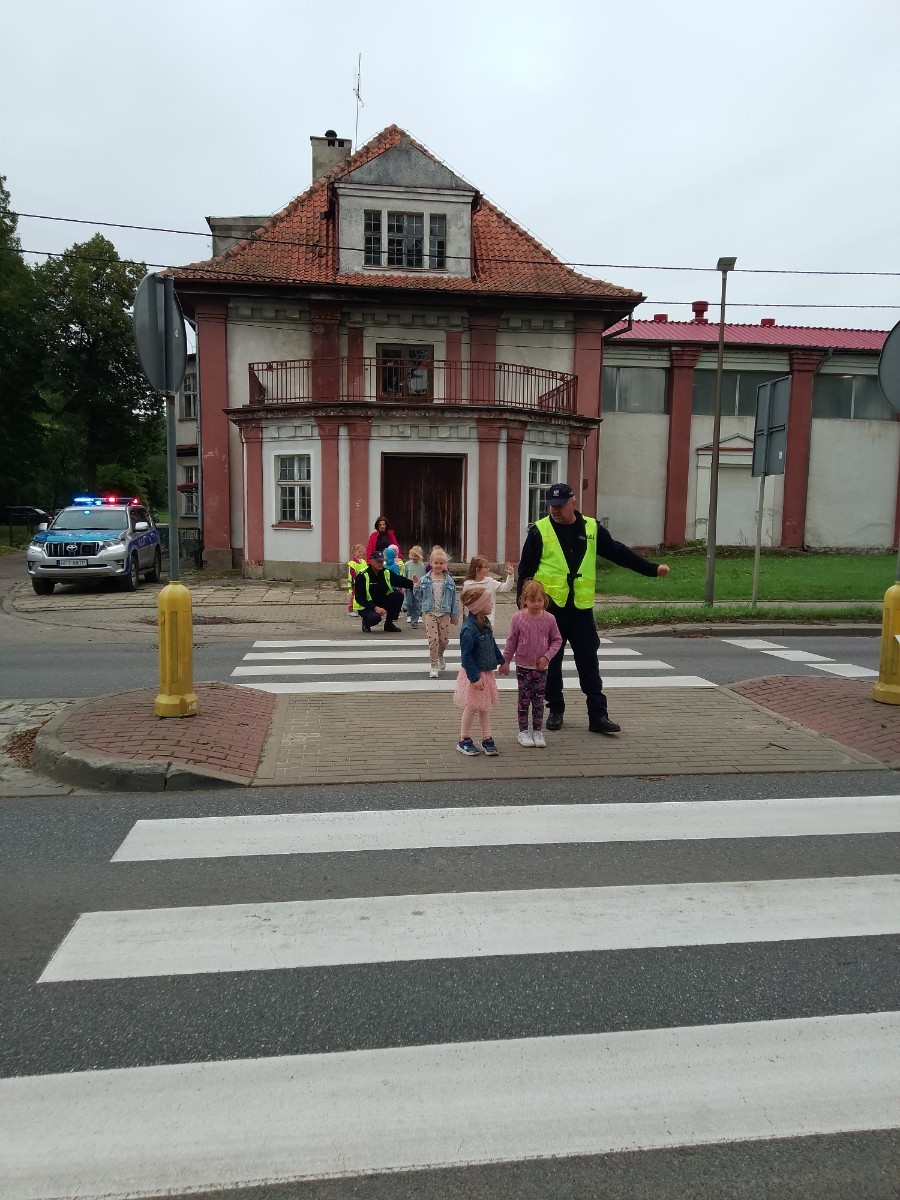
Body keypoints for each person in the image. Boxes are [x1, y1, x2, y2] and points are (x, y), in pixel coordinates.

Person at [517, 482, 670, 734]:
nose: (555, 510)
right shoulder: (539, 531)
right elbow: (526, 570)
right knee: (550, 663)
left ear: (573, 502)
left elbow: (618, 552)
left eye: (560, 505)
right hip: (550, 610)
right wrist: (523, 608)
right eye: (552, 506)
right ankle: (555, 709)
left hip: (581, 610)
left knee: (588, 663)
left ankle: (598, 716)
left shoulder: (591, 528)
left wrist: (651, 569)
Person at [498, 579, 562, 748]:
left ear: (544, 600)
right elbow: (511, 641)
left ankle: (537, 730)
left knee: (539, 700)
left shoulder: (550, 619)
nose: (536, 604)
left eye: (540, 600)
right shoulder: (518, 618)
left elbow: (557, 641)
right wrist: (505, 661)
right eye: (532, 600)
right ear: (524, 600)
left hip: (541, 668)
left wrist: (547, 657)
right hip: (523, 667)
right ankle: (523, 731)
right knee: (524, 699)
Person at [454, 586, 504, 757]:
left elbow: (492, 644)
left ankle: (487, 737)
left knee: (485, 708)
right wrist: (474, 678)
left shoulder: (485, 622)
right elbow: (466, 657)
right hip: (474, 674)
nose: (491, 604)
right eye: (488, 602)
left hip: (486, 673)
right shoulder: (469, 629)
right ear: (478, 606)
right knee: (471, 707)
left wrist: (501, 660)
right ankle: (464, 739)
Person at [414, 545, 460, 677]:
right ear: (431, 563)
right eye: (436, 563)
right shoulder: (425, 579)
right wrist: (416, 586)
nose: (438, 565)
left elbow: (453, 599)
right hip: (429, 612)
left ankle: (440, 655)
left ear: (445, 564)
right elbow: (419, 597)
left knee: (444, 640)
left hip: (444, 613)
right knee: (433, 639)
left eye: (441, 563)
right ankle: (433, 665)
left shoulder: (449, 581)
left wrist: (454, 615)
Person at [354, 549, 414, 633]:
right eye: (378, 561)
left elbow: (400, 581)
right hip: (366, 606)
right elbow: (359, 598)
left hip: (381, 601)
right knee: (375, 618)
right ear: (371, 561)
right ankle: (366, 623)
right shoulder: (362, 575)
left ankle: (389, 624)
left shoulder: (386, 572)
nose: (380, 563)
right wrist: (375, 608)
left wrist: (415, 585)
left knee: (398, 595)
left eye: (382, 561)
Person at [460, 555, 516, 625]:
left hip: (488, 621)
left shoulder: (490, 581)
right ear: (477, 569)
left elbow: (506, 588)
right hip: (472, 621)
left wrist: (510, 575)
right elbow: (464, 603)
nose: (488, 569)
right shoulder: (468, 584)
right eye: (486, 567)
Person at [402, 544, 427, 628]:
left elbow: (424, 577)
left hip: (418, 588)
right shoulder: (407, 564)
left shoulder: (422, 566)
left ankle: (414, 621)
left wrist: (423, 587)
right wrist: (403, 585)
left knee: (417, 605)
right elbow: (404, 575)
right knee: (409, 602)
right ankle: (405, 606)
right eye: (412, 555)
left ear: (419, 556)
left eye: (416, 556)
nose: (413, 557)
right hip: (409, 586)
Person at [346, 543, 367, 617]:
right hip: (355, 582)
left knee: (362, 594)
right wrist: (357, 578)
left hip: (362, 581)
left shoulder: (363, 561)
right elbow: (352, 572)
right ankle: (350, 609)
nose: (360, 553)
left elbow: (366, 570)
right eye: (359, 551)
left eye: (361, 551)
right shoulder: (353, 562)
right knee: (354, 595)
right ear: (354, 552)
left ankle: (361, 608)